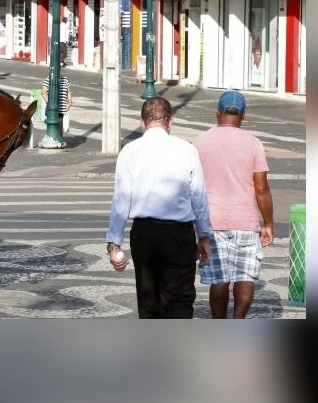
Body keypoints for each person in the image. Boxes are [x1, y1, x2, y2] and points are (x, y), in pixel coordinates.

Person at [106, 97, 213, 319]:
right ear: (170, 122)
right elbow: (198, 197)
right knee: (180, 298)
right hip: (178, 235)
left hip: (144, 234)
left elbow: (121, 200)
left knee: (149, 299)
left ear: (142, 123)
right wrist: (203, 236)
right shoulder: (187, 150)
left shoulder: (129, 151)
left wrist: (114, 243)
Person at [192, 91, 273, 319]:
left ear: (217, 112)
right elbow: (261, 188)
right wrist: (268, 223)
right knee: (245, 276)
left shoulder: (199, 142)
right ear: (243, 116)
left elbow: (192, 185)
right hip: (245, 222)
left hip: (210, 222)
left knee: (219, 280)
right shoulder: (254, 144)